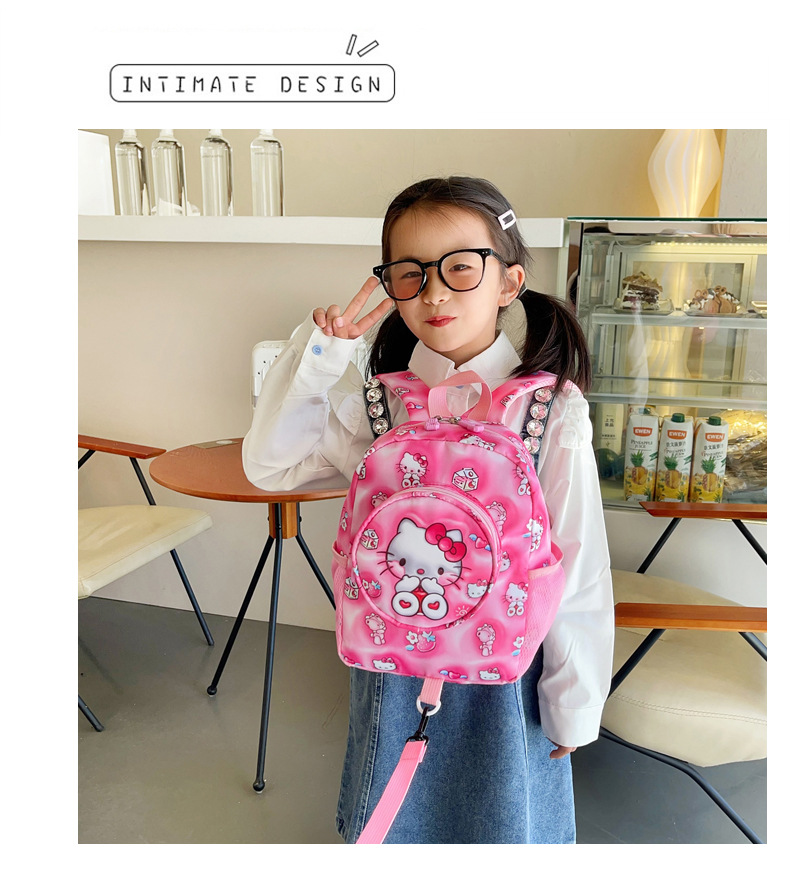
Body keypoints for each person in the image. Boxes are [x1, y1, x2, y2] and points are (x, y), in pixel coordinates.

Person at [243, 176, 613, 844]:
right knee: (397, 827)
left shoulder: (550, 409)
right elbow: (270, 465)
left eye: (460, 267)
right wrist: (321, 357)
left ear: (509, 281)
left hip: (508, 671)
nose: (434, 292)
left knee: (502, 825)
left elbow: (578, 562)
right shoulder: (380, 405)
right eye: (409, 274)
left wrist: (575, 702)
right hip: (393, 665)